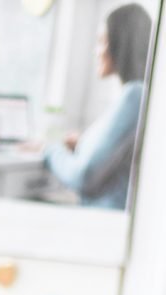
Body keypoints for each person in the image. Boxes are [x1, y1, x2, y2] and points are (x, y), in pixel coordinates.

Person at [46, 3, 153, 209]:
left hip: (104, 225)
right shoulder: (138, 94)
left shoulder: (135, 95)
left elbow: (83, 176)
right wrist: (82, 142)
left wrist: (50, 150)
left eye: (101, 41)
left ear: (119, 44)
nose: (96, 51)